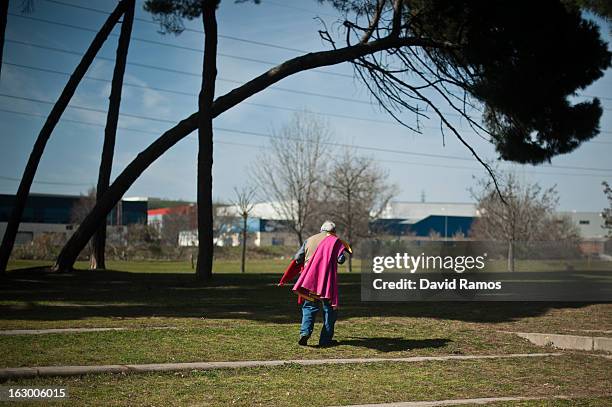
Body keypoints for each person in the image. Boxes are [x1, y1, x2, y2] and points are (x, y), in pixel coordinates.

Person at [279, 221, 351, 347]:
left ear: (321, 230)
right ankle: (325, 340)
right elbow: (341, 260)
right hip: (325, 281)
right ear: (333, 231)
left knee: (309, 306)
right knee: (329, 309)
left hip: (309, 280)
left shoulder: (309, 240)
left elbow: (297, 259)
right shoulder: (335, 241)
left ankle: (305, 333)